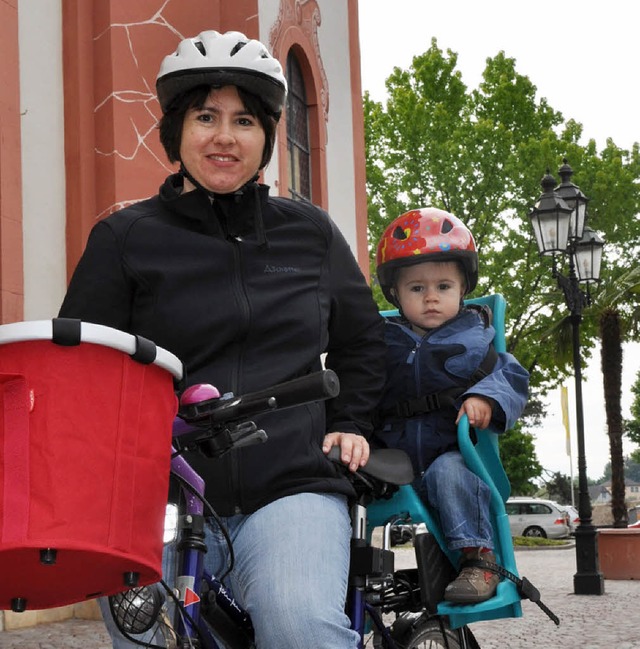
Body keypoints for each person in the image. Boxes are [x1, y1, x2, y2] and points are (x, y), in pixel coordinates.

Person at [58, 30, 386, 648]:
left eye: (244, 120)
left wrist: (353, 422)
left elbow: (364, 342)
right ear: (177, 132)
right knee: (147, 637)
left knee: (300, 626)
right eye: (205, 116)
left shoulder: (310, 235)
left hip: (288, 485)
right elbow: (86, 367)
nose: (224, 136)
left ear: (265, 137)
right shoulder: (125, 239)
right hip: (160, 488)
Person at [374, 207, 529, 604]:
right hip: (392, 461)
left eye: (443, 286)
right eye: (416, 289)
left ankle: (479, 560)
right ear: (395, 294)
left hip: (453, 455)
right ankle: (341, 565)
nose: (430, 298)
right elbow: (358, 387)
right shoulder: (380, 342)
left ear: (462, 290)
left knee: (448, 471)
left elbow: (511, 377)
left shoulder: (477, 338)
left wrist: (485, 397)